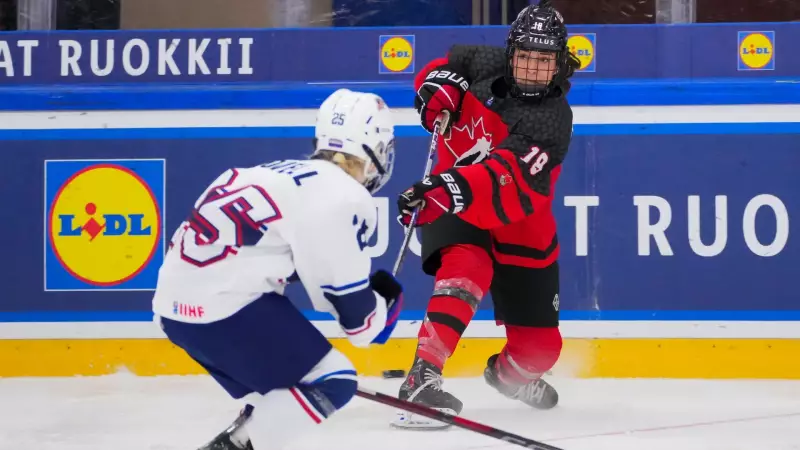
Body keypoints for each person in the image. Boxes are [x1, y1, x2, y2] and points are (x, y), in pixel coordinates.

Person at [151, 88, 403, 449]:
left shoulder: (267, 174)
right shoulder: (344, 194)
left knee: (280, 393)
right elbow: (360, 326)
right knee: (333, 379)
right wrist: (382, 307)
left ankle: (242, 435)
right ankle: (235, 445)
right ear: (376, 148)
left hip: (171, 310)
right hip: (222, 308)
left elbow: (262, 254)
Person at [392, 1, 579, 429]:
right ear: (511, 53)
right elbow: (443, 66)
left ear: (560, 64)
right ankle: (421, 377)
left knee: (540, 352)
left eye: (544, 60)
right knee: (466, 266)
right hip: (456, 202)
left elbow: (505, 178)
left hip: (519, 221)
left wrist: (447, 187)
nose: (531, 68)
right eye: (525, 56)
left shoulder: (552, 120)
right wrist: (436, 85)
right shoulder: (488, 62)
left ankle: (508, 377)